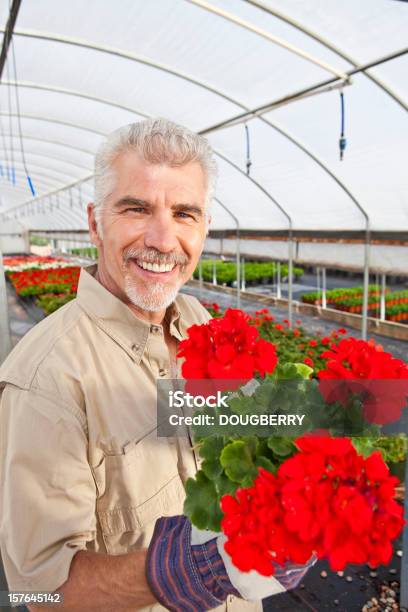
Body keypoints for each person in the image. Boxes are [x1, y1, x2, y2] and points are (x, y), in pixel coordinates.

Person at [0, 119, 313, 611]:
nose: (165, 240)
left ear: (205, 227)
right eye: (137, 208)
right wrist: (190, 570)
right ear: (95, 222)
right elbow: (38, 590)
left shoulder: (198, 321)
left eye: (185, 213)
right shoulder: (46, 379)